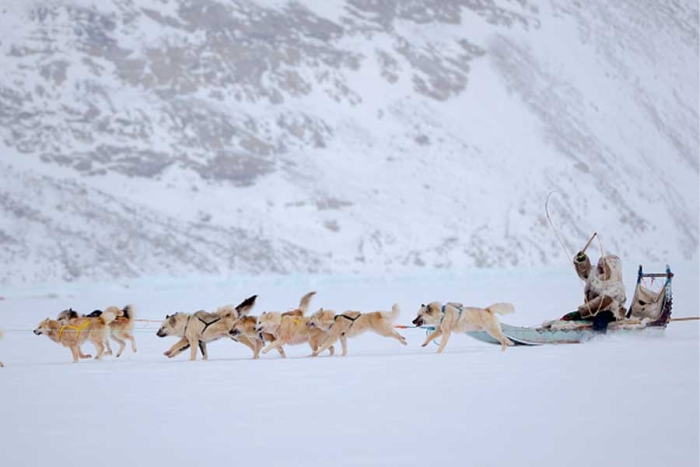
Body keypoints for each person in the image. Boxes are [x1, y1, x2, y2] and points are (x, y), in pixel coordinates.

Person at [561, 251, 627, 332]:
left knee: (600, 318)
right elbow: (585, 272)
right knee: (570, 317)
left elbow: (601, 303)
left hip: (611, 312)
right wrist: (582, 261)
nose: (601, 268)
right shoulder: (596, 275)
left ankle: (598, 339)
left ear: (612, 269)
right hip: (591, 311)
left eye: (605, 266)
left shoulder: (616, 286)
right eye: (600, 266)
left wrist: (581, 311)